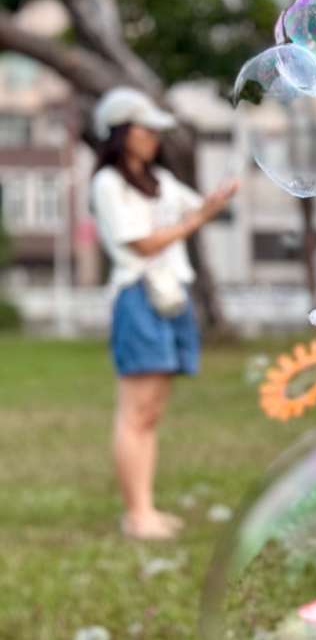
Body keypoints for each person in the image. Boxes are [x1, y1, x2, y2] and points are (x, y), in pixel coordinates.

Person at [91, 87, 238, 540]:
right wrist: (196, 219)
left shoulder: (159, 180)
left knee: (151, 412)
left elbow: (197, 208)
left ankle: (146, 508)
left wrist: (220, 197)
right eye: (145, 128)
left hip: (171, 295)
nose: (155, 137)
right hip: (138, 297)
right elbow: (142, 242)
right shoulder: (108, 184)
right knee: (135, 411)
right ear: (120, 132)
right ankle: (137, 515)